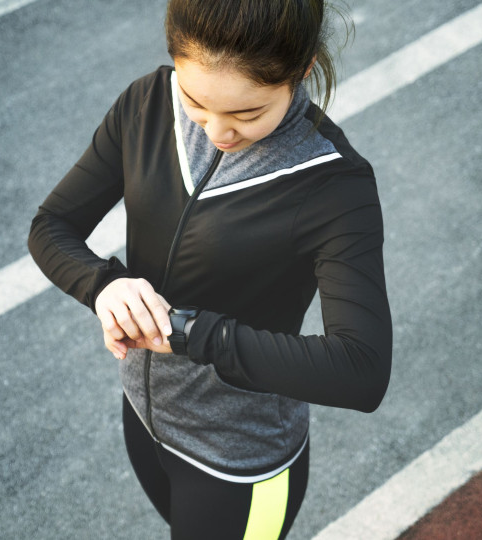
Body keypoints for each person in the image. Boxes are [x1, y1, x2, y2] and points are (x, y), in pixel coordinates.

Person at [28, 0, 392, 538]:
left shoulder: (336, 188)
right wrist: (103, 285)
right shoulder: (149, 101)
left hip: (240, 467)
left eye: (247, 114)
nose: (218, 130)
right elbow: (52, 224)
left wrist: (194, 333)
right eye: (196, 101)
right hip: (145, 420)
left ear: (303, 70)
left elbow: (361, 370)